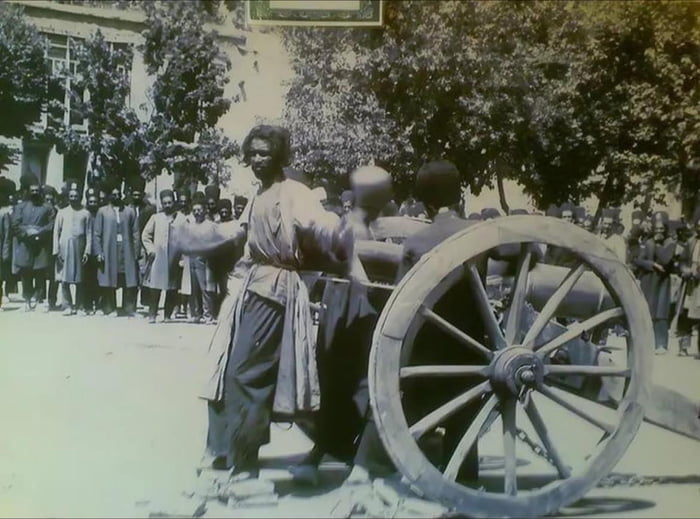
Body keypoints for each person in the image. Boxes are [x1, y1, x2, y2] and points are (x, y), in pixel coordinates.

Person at [178, 125, 354, 485]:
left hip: (275, 288)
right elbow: (241, 233)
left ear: (279, 157)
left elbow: (321, 224)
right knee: (226, 366)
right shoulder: (258, 195)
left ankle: (246, 461)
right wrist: (197, 240)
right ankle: (226, 450)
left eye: (265, 154)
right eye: (253, 154)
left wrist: (340, 237)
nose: (257, 160)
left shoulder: (294, 193)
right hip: (251, 285)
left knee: (248, 372)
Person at [292, 166, 394, 485]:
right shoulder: (351, 228)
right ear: (381, 196)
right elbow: (360, 275)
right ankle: (352, 459)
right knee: (357, 380)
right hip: (358, 305)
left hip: (345, 305)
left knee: (339, 379)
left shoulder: (364, 225)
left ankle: (324, 454)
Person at [94, 179, 140, 317]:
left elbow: (136, 233)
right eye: (113, 194)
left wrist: (136, 252)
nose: (116, 197)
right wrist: (99, 252)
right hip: (109, 250)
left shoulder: (129, 212)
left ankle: (129, 309)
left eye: (118, 194)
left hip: (126, 250)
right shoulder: (102, 212)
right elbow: (97, 234)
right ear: (109, 196)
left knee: (128, 280)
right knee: (109, 279)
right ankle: (110, 308)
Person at [634, 211, 678, 354]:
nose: (659, 231)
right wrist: (652, 264)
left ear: (665, 229)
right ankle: (648, 342)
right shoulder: (648, 242)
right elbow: (639, 260)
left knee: (661, 313)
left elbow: (665, 260)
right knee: (648, 311)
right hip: (648, 280)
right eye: (656, 228)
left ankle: (661, 344)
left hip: (662, 282)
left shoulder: (670, 243)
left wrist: (658, 245)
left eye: (661, 229)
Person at [11, 174, 55, 311]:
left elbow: (52, 224)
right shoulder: (21, 207)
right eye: (32, 190)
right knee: (26, 273)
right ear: (28, 191)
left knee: (40, 273)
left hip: (40, 245)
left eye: (37, 190)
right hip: (25, 244)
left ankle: (38, 299)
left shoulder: (47, 207)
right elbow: (15, 224)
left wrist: (39, 232)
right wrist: (26, 232)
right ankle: (27, 299)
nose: (35, 193)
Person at [142, 189, 186, 323]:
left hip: (174, 257)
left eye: (170, 202)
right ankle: (152, 314)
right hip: (158, 257)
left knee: (172, 287)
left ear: (174, 202)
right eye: (165, 203)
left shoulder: (181, 219)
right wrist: (150, 249)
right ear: (161, 203)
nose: (167, 205)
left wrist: (183, 257)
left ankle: (167, 315)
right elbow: (145, 235)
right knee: (155, 286)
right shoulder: (156, 218)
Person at [52, 182, 92, 316]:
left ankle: (80, 306)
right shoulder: (62, 212)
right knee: (64, 278)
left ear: (80, 197)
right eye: (71, 196)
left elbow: (89, 233)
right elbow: (56, 232)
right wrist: (56, 250)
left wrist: (87, 250)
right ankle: (67, 305)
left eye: (76, 196)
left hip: (79, 247)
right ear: (68, 197)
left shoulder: (86, 213)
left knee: (79, 279)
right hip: (64, 247)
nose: (74, 198)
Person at [186, 193, 217, 324]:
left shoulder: (210, 225)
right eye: (194, 211)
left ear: (204, 210)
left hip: (205, 259)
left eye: (199, 210)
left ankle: (208, 314)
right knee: (194, 289)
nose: (197, 213)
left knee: (205, 289)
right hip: (192, 259)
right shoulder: (190, 226)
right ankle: (196, 314)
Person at [127, 176, 156, 309]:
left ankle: (146, 301)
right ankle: (131, 302)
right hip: (130, 246)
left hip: (144, 246)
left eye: (139, 195)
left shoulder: (150, 209)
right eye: (134, 194)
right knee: (131, 274)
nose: (136, 197)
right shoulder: (126, 208)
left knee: (145, 272)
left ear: (143, 194)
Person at [82, 187, 102, 314]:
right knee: (87, 280)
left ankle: (99, 305)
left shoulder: (101, 214)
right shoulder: (84, 214)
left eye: (95, 202)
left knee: (99, 280)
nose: (93, 204)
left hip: (98, 252)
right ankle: (87, 305)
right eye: (91, 202)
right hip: (86, 251)